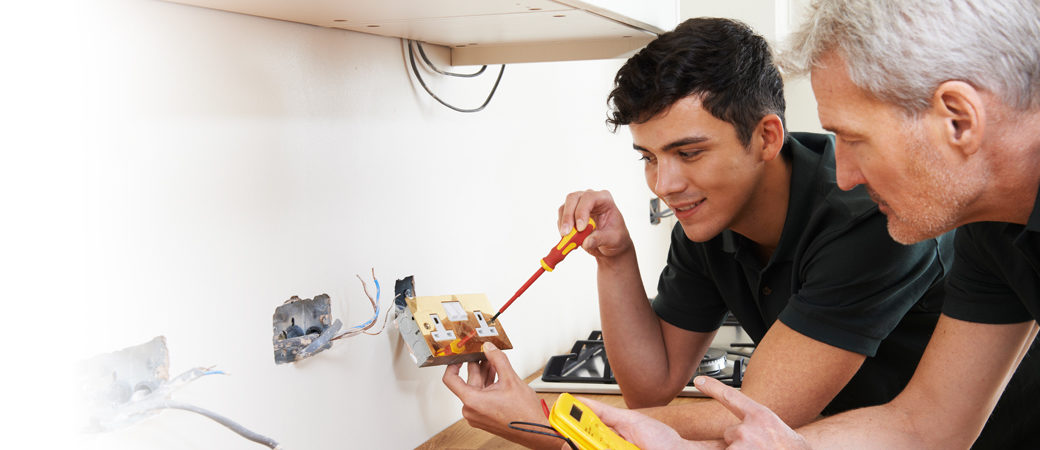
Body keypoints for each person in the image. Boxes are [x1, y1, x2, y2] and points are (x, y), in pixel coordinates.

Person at [442, 17, 1032, 448]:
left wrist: (548, 422)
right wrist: (616, 260)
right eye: (647, 158)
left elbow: (754, 415)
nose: (665, 185)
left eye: (689, 152)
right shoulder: (988, 229)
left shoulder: (871, 217)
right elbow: (923, 424)